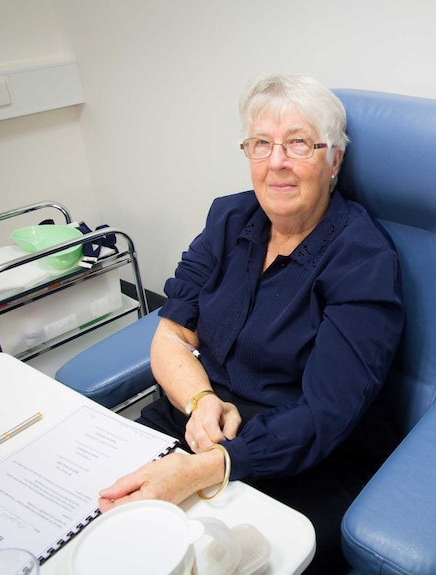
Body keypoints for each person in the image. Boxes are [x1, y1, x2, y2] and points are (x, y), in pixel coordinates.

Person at [98, 74, 405, 573]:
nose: (276, 161)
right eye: (261, 143)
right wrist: (200, 402)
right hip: (196, 426)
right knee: (98, 511)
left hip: (301, 461)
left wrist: (204, 469)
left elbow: (325, 414)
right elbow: (172, 333)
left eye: (299, 143)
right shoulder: (227, 219)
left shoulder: (363, 259)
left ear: (334, 161)